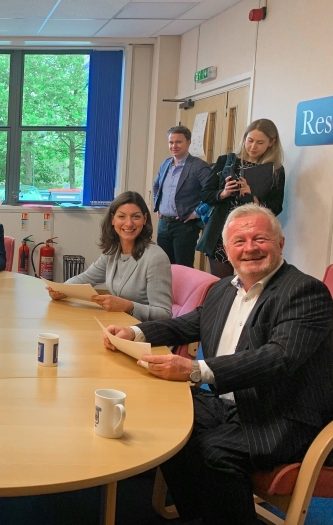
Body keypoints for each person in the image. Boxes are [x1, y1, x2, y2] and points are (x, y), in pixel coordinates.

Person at [103, 204, 333, 525]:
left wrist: (197, 370)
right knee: (167, 428)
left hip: (282, 413)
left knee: (212, 452)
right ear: (226, 250)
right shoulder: (224, 288)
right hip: (227, 402)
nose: (250, 248)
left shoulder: (304, 291)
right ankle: (198, 515)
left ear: (280, 245)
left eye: (260, 239)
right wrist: (134, 331)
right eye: (239, 241)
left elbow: (279, 356)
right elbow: (189, 324)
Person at [47, 191, 172, 322]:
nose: (129, 224)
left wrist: (129, 306)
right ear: (113, 219)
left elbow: (164, 314)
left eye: (136, 217)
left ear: (145, 219)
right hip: (118, 325)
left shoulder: (155, 258)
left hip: (144, 333)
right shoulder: (113, 252)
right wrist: (62, 290)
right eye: (122, 216)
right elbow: (85, 278)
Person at [197, 118, 286, 278]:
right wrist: (223, 193)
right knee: (222, 285)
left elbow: (276, 207)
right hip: (221, 233)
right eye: (250, 140)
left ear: (271, 142)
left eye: (260, 142)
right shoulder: (226, 161)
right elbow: (205, 194)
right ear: (244, 138)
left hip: (253, 235)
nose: (253, 147)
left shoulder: (275, 171)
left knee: (249, 284)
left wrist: (253, 199)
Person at [152, 125, 211, 267]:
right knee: (164, 266)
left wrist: (196, 213)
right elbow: (156, 186)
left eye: (178, 142)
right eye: (171, 142)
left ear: (188, 142)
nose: (174, 146)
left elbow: (211, 194)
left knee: (183, 267)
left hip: (185, 226)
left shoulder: (199, 166)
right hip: (164, 224)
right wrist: (158, 205)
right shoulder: (166, 163)